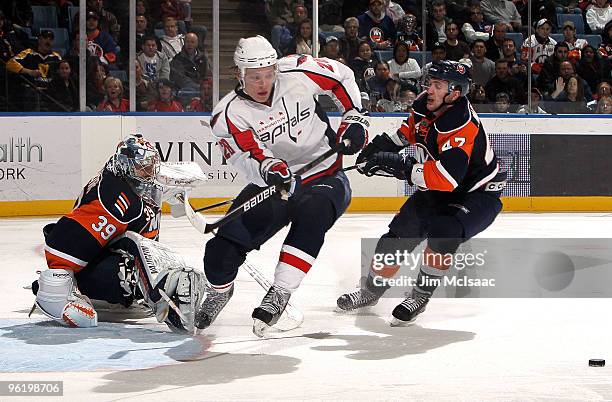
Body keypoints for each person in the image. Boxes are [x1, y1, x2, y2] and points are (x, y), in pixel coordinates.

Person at [195, 36, 368, 336]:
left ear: (275, 68)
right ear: (239, 74)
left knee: (312, 215)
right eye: (254, 77)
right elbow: (245, 156)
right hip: (278, 184)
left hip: (326, 177)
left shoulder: (299, 71)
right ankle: (220, 291)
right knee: (220, 251)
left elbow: (342, 77)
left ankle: (281, 292)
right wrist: (269, 169)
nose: (262, 83)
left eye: (267, 74)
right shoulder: (228, 115)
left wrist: (354, 117)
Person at [336, 60, 505, 325]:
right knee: (398, 234)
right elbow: (405, 135)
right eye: (430, 83)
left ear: (455, 93)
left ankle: (420, 295)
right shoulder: (426, 105)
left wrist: (400, 165)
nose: (429, 89)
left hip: (477, 195)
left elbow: (447, 178)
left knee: (443, 232)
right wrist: (376, 151)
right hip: (442, 189)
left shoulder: (460, 123)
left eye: (438, 85)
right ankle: (371, 292)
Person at [32, 135, 205, 333]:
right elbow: (62, 248)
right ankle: (158, 296)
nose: (149, 172)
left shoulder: (124, 180)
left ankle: (148, 288)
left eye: (151, 165)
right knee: (131, 251)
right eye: (143, 166)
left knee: (136, 249)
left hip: (103, 254)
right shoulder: (116, 196)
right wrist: (57, 286)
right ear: (126, 165)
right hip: (87, 269)